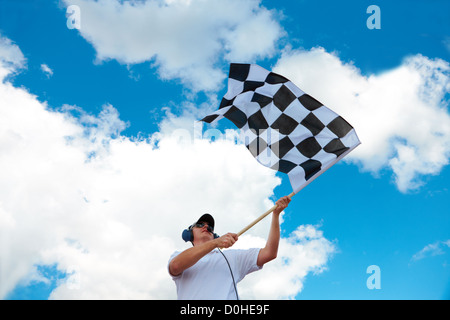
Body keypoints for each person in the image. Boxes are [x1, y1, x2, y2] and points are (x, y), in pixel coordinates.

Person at [168, 196, 291, 300]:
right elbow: (176, 266)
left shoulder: (231, 257)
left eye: (210, 227)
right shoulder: (178, 255)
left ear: (214, 235)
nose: (206, 227)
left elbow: (269, 253)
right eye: (200, 225)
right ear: (189, 234)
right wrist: (215, 243)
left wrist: (275, 215)